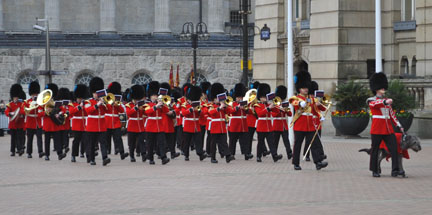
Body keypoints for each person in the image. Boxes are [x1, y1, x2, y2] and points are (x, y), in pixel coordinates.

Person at [367, 72, 404, 178]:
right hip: (377, 129)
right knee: (375, 149)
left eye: (384, 87)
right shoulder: (371, 100)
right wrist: (385, 102)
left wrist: (399, 125)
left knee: (394, 149)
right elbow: (375, 104)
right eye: (381, 87)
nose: (383, 89)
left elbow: (392, 114)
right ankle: (375, 170)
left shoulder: (386, 101)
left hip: (388, 130)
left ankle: (395, 170)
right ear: (376, 88)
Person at [289, 71, 328, 170]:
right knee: (298, 144)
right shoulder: (296, 97)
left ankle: (318, 162)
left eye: (306, 87)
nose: (306, 89)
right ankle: (296, 163)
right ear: (299, 89)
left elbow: (321, 108)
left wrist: (321, 104)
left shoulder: (312, 98)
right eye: (303, 87)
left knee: (314, 143)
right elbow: (293, 102)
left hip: (310, 125)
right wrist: (300, 103)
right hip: (300, 125)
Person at [84, 77, 111, 166]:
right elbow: (88, 111)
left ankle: (105, 158)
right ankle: (92, 159)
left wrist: (105, 103)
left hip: (102, 125)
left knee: (103, 142)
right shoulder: (88, 101)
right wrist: (97, 104)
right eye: (95, 93)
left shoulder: (102, 101)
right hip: (92, 125)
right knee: (92, 144)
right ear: (92, 93)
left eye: (98, 93)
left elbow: (108, 111)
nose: (96, 94)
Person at [254, 83, 283, 163]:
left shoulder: (269, 104)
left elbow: (276, 113)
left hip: (269, 126)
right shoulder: (257, 105)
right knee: (260, 142)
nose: (265, 98)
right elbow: (260, 114)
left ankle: (274, 156)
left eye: (265, 97)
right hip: (261, 126)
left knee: (271, 142)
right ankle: (258, 156)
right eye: (263, 97)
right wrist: (268, 108)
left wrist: (275, 107)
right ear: (260, 97)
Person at [207, 83, 235, 163]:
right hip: (215, 127)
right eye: (216, 99)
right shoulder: (212, 106)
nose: (218, 100)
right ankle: (213, 157)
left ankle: (228, 156)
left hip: (222, 127)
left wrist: (226, 106)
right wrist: (219, 108)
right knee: (213, 143)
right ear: (214, 99)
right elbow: (211, 112)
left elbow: (230, 111)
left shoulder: (222, 106)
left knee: (224, 142)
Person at [144, 81, 170, 165]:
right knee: (150, 143)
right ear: (150, 96)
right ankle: (151, 158)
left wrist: (163, 105)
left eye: (156, 95)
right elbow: (147, 112)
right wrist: (156, 106)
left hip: (160, 126)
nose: (155, 97)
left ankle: (163, 157)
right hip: (151, 126)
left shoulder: (160, 103)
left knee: (162, 142)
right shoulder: (147, 104)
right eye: (154, 95)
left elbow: (166, 111)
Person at [180, 85, 207, 161]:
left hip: (196, 125)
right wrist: (190, 110)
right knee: (187, 142)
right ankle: (186, 155)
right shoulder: (185, 105)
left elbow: (203, 114)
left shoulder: (199, 105)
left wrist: (199, 111)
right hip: (188, 125)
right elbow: (183, 113)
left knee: (198, 141)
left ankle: (200, 154)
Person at [228, 83, 252, 160]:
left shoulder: (245, 104)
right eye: (238, 97)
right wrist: (237, 107)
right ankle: (231, 154)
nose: (240, 98)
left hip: (243, 124)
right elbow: (230, 111)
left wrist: (246, 109)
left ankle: (246, 154)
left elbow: (250, 112)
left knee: (245, 140)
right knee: (233, 140)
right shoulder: (233, 104)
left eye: (241, 97)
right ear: (236, 97)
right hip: (235, 124)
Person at [105, 82, 129, 160]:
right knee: (107, 137)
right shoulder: (106, 99)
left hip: (115, 121)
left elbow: (122, 111)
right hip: (107, 121)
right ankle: (107, 150)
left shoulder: (117, 101)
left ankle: (122, 153)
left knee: (118, 137)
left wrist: (117, 105)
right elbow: (105, 109)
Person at [125, 85, 146, 162]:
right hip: (132, 125)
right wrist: (136, 108)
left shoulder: (142, 104)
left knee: (141, 141)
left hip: (140, 125)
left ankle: (144, 155)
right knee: (132, 143)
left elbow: (145, 113)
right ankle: (132, 156)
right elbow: (129, 113)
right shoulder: (129, 105)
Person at [23, 81, 44, 158]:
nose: (35, 95)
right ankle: (29, 153)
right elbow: (23, 110)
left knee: (39, 138)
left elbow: (43, 112)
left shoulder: (40, 102)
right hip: (30, 122)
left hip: (37, 122)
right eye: (34, 94)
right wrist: (31, 106)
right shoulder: (27, 102)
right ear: (31, 94)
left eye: (36, 94)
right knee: (30, 139)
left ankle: (40, 151)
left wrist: (39, 113)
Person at [272, 85, 293, 160]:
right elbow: (273, 115)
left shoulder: (284, 104)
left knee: (286, 140)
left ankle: (289, 153)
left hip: (284, 125)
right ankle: (274, 155)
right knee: (275, 142)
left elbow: (290, 114)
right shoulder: (275, 104)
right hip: (277, 125)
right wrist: (279, 110)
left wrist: (286, 110)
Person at [70, 84, 88, 162]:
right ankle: (73, 155)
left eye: (81, 98)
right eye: (79, 98)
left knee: (85, 140)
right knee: (76, 141)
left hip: (85, 124)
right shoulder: (73, 104)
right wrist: (79, 107)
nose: (80, 99)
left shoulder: (86, 104)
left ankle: (83, 152)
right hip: (77, 125)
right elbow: (71, 111)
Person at [5, 84, 25, 156]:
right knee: (13, 138)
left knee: (19, 137)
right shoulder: (10, 104)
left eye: (16, 97)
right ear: (13, 97)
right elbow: (6, 112)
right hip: (13, 124)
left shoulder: (21, 104)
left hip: (19, 123)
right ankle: (12, 151)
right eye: (15, 97)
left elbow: (23, 111)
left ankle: (20, 149)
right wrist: (11, 113)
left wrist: (19, 112)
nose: (16, 98)